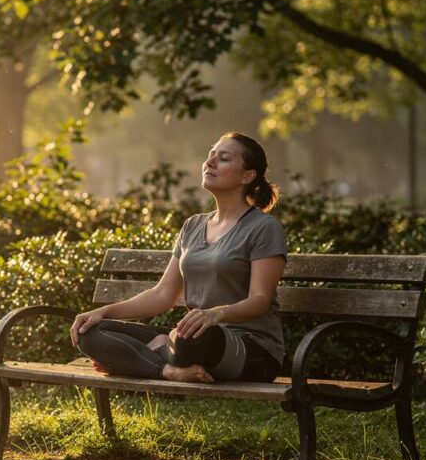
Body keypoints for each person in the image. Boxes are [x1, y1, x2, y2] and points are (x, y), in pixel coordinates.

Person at [70, 132, 288, 384]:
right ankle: (168, 370)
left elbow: (260, 301)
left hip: (251, 349)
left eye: (224, 158)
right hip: (192, 337)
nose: (210, 162)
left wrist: (215, 314)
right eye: (210, 156)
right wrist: (104, 312)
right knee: (91, 331)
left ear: (247, 176)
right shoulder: (193, 226)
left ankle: (141, 358)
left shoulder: (263, 227)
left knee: (191, 337)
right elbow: (163, 294)